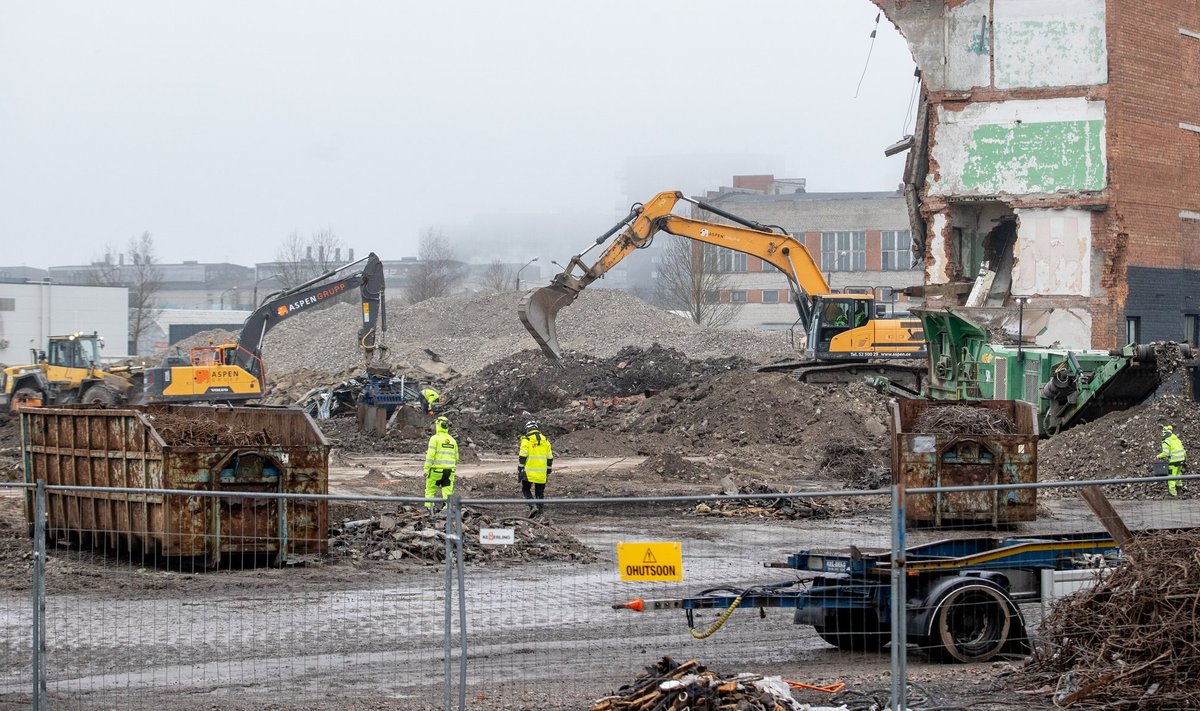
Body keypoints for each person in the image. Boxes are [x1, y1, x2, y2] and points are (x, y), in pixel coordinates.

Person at [517, 420, 554, 518]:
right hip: (542, 473)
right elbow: (550, 458)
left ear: (528, 429)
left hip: (528, 472)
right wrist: (548, 470)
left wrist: (519, 469)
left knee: (526, 489)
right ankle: (540, 513)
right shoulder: (545, 440)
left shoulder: (526, 440)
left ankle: (532, 506)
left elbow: (522, 456)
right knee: (540, 493)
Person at [423, 416, 459, 510]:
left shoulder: (435, 439)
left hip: (436, 471)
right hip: (449, 471)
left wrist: (426, 469)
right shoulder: (452, 440)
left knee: (430, 490)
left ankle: (430, 510)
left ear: (438, 425)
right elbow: (456, 457)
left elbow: (430, 455)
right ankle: (447, 510)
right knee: (447, 491)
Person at [1158, 424, 1187, 496]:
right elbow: (1183, 451)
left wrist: (1159, 456)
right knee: (1178, 475)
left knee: (1171, 477)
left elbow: (1166, 453)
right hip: (1181, 460)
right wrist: (1184, 459)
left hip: (1173, 461)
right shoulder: (1177, 439)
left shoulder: (1166, 441)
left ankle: (1173, 494)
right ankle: (1179, 490)